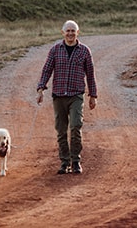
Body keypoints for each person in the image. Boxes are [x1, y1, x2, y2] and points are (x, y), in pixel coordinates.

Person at [36, 20, 98, 174]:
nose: (70, 33)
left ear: (78, 32)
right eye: (68, 31)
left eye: (73, 31)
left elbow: (90, 74)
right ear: (62, 32)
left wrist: (93, 95)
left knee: (76, 126)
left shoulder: (84, 51)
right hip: (58, 95)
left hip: (76, 94)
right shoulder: (55, 50)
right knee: (61, 130)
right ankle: (65, 162)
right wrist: (41, 88)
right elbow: (47, 70)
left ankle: (76, 161)